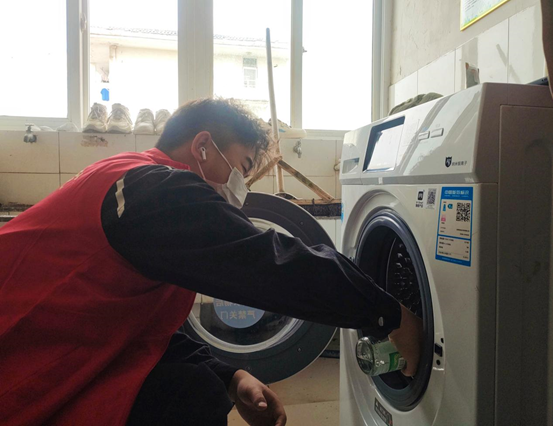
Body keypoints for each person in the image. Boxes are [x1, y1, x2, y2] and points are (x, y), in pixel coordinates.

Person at [0, 98, 423, 426]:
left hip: (43, 349)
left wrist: (230, 376)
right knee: (191, 395)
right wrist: (388, 314)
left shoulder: (127, 177)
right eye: (242, 168)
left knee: (197, 385)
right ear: (203, 147)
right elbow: (268, 263)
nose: (241, 187)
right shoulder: (155, 187)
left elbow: (142, 329)